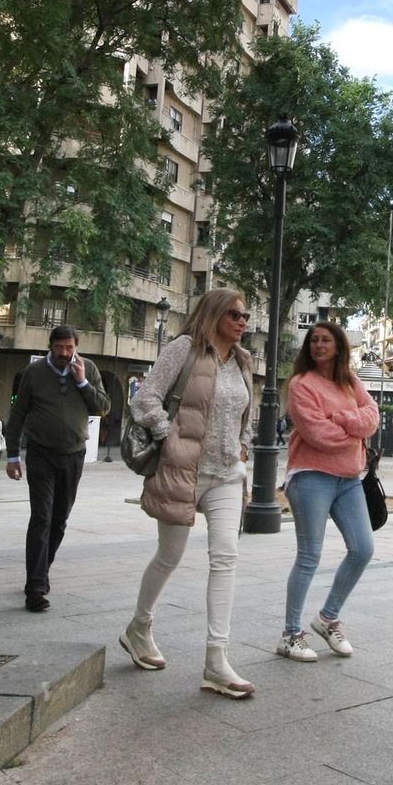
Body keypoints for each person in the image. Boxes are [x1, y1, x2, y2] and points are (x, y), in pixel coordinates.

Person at [123, 289, 256, 699]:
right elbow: (145, 397)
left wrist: (244, 446)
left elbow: (244, 414)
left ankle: (216, 661)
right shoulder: (184, 348)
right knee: (170, 556)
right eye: (234, 314)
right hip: (184, 470)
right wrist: (169, 436)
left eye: (246, 316)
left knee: (226, 559)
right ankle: (139, 627)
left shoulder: (243, 361)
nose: (242, 322)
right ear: (214, 313)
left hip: (227, 475)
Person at [277, 321, 379, 664]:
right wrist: (354, 430)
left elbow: (372, 417)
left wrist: (343, 419)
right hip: (311, 476)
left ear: (339, 346)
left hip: (348, 479)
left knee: (363, 548)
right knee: (309, 556)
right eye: (314, 340)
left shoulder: (350, 381)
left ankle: (327, 618)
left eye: (326, 340)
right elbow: (318, 434)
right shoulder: (301, 385)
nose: (319, 345)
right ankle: (291, 634)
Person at [6, 326, 110, 613]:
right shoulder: (34, 373)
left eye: (69, 348)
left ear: (76, 346)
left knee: (60, 520)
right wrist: (12, 455)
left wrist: (82, 382)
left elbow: (103, 407)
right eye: (59, 348)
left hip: (74, 455)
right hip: (40, 454)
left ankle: (42, 570)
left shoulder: (87, 367)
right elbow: (18, 414)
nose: (64, 353)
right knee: (41, 517)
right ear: (49, 346)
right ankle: (35, 587)